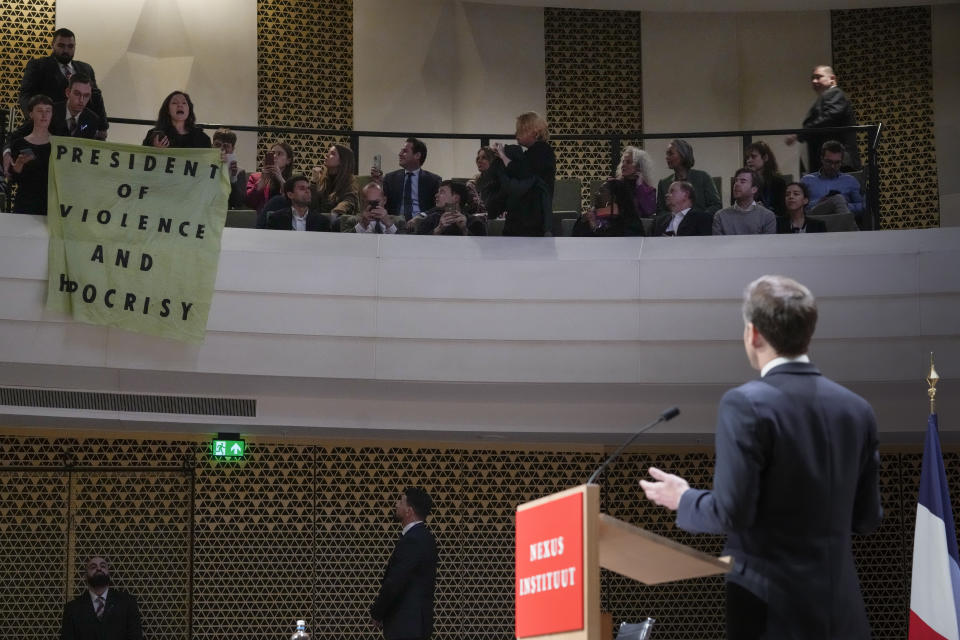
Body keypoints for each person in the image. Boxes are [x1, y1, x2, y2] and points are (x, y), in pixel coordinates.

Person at [639, 275, 882, 639]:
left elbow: (732, 512)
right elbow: (866, 518)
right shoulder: (857, 410)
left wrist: (683, 498)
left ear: (753, 334)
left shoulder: (747, 404)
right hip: (842, 615)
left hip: (772, 615)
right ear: (808, 333)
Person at [370, 487, 438, 640]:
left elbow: (395, 582)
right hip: (416, 623)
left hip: (406, 625)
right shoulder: (425, 537)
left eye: (400, 501)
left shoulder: (413, 540)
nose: (396, 504)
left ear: (409, 511)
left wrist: (377, 612)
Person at [19, 28, 107, 139]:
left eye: (70, 46)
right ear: (53, 45)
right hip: (47, 129)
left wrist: (102, 127)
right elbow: (25, 95)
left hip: (80, 131)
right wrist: (34, 119)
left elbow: (95, 97)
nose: (66, 50)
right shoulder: (38, 66)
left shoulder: (86, 69)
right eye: (61, 46)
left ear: (75, 46)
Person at [3, 73, 99, 175]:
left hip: (73, 174)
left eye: (86, 96)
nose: (81, 100)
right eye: (77, 94)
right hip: (45, 173)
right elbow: (16, 135)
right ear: (67, 92)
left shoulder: (92, 119)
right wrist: (7, 153)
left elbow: (90, 152)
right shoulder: (49, 111)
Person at [786, 65, 860, 172]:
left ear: (832, 79)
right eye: (812, 78)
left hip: (838, 160)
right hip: (832, 160)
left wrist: (799, 134)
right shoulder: (828, 96)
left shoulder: (835, 93)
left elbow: (829, 118)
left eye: (818, 77)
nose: (814, 81)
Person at [493, 111, 556, 237]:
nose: (516, 134)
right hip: (528, 216)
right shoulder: (534, 153)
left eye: (521, 130)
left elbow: (522, 171)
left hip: (532, 217)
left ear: (534, 132)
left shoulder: (542, 151)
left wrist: (503, 156)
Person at [61, 555, 143, 640]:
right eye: (93, 567)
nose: (99, 569)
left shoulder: (127, 603)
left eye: (103, 566)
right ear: (85, 575)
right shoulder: (72, 609)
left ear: (108, 573)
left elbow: (136, 636)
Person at [372, 138, 442, 223]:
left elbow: (439, 207)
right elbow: (382, 204)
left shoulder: (433, 180)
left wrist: (422, 216)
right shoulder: (390, 178)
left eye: (405, 151)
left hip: (422, 225)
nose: (400, 154)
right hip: (394, 224)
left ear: (417, 155)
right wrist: (378, 185)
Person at [7, 95, 54, 215]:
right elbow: (14, 179)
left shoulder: (59, 144)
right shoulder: (19, 143)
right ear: (31, 114)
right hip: (24, 203)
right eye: (39, 111)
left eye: (48, 111)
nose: (44, 115)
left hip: (50, 205)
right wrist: (20, 163)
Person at [800, 140, 864, 225]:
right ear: (822, 159)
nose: (833, 166)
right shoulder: (807, 180)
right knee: (837, 199)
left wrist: (843, 205)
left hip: (839, 220)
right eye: (829, 162)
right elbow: (798, 206)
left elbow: (863, 206)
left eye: (837, 162)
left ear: (842, 162)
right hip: (815, 221)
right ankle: (854, 234)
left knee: (838, 199)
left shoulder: (850, 180)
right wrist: (819, 202)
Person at [655, 139, 721, 215]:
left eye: (670, 153)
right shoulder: (663, 183)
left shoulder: (703, 177)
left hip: (700, 224)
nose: (667, 157)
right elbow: (660, 212)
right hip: (674, 225)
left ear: (683, 155)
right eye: (667, 154)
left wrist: (699, 218)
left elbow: (716, 205)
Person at [572, 178, 645, 237]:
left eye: (601, 191)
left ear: (613, 198)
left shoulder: (630, 221)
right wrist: (583, 222)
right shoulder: (587, 218)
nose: (596, 194)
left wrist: (594, 227)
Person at [712, 169, 776, 235]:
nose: (736, 184)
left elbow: (767, 244)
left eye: (742, 182)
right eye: (736, 181)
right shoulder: (720, 216)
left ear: (754, 189)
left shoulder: (767, 216)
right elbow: (718, 244)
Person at [310, 143, 359, 228]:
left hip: (337, 222)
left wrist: (336, 212)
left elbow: (348, 201)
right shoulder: (321, 177)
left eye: (332, 153)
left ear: (342, 161)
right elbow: (311, 203)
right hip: (318, 220)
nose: (327, 155)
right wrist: (314, 182)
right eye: (328, 152)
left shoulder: (349, 181)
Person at [142, 91, 211, 149]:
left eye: (184, 103)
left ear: (189, 110)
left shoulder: (202, 138)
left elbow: (210, 161)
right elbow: (141, 159)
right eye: (174, 103)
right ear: (167, 110)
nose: (180, 105)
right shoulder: (154, 136)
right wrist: (154, 150)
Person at [246, 141, 295, 220]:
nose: (275, 156)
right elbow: (249, 203)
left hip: (287, 220)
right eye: (272, 153)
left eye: (279, 154)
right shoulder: (255, 177)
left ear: (288, 160)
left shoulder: (294, 181)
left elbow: (296, 203)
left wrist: (280, 178)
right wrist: (262, 181)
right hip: (263, 220)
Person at [417, 180, 486, 236]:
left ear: (456, 198)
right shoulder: (431, 219)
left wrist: (464, 230)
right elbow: (417, 243)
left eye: (442, 192)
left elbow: (482, 248)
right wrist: (439, 229)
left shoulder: (475, 222)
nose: (436, 195)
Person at [265, 175, 331, 232]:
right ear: (290, 195)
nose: (307, 191)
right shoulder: (276, 219)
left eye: (308, 188)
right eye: (302, 189)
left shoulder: (322, 221)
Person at [743, 141, 787, 217]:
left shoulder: (778, 182)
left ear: (765, 158)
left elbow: (783, 210)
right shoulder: (743, 182)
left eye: (753, 156)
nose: (749, 160)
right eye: (747, 158)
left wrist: (765, 210)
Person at [615, 146, 656, 218]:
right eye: (623, 162)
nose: (623, 165)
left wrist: (640, 186)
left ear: (639, 167)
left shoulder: (649, 190)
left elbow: (649, 210)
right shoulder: (616, 185)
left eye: (628, 162)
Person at [212, 128, 247, 209]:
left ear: (232, 149)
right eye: (217, 145)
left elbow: (238, 203)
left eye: (226, 146)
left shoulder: (239, 172)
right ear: (212, 145)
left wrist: (233, 178)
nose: (221, 149)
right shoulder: (203, 167)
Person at [468, 146, 506, 219]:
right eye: (478, 158)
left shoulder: (503, 182)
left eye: (484, 158)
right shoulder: (472, 184)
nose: (479, 161)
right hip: (479, 220)